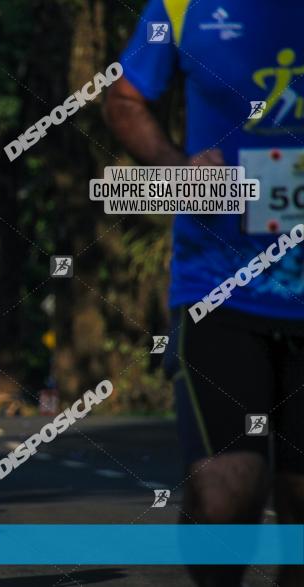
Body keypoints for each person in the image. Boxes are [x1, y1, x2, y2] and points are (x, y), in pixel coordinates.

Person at [105, 4, 304, 586]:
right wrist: (177, 168)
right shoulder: (178, 7)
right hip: (219, 292)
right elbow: (125, 98)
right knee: (227, 490)